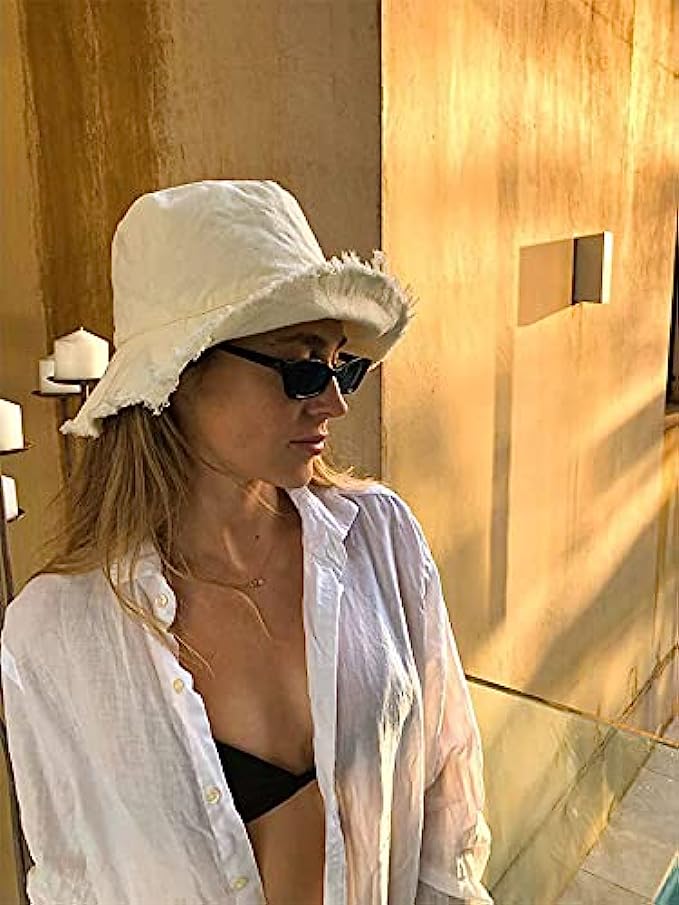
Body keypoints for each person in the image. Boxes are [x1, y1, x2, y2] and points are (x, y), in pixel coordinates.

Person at [0, 180, 493, 905]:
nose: (334, 401)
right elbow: (73, 879)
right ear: (179, 374)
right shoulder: (58, 632)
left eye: (342, 365)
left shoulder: (380, 538)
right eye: (302, 368)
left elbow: (446, 793)